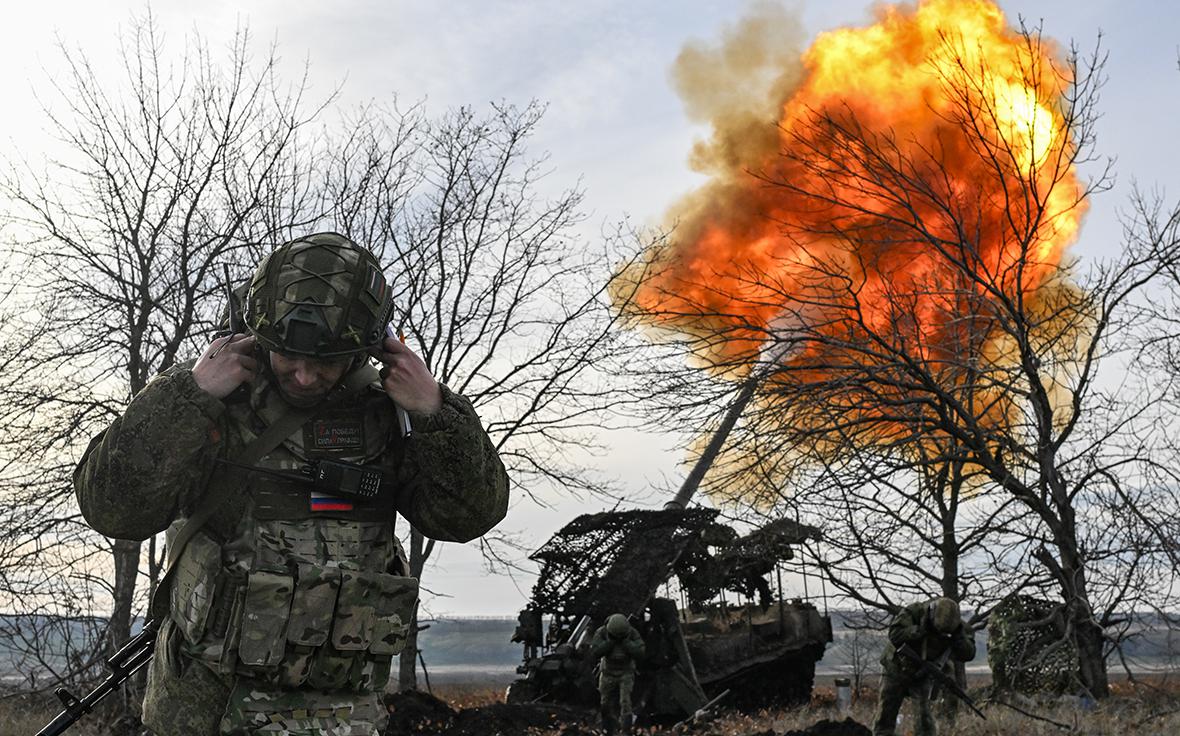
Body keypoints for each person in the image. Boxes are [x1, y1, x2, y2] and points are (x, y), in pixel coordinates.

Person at [74, 232, 509, 736]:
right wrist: (187, 395)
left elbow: (468, 517)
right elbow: (112, 509)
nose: (303, 377)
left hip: (342, 717)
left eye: (324, 362)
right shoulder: (211, 400)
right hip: (203, 712)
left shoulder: (391, 412)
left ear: (366, 348)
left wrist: (437, 410)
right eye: (288, 357)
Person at [873, 597, 976, 736]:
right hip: (896, 667)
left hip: (924, 673)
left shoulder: (960, 629)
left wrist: (958, 638)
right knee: (886, 715)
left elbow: (968, 654)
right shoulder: (914, 612)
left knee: (924, 719)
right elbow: (895, 634)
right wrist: (920, 631)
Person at [589, 613, 645, 735]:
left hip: (626, 672)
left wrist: (627, 643)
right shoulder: (602, 632)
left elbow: (640, 653)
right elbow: (595, 652)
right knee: (604, 701)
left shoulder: (632, 633)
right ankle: (607, 728)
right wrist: (610, 643)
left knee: (625, 702)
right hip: (608, 672)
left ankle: (626, 729)